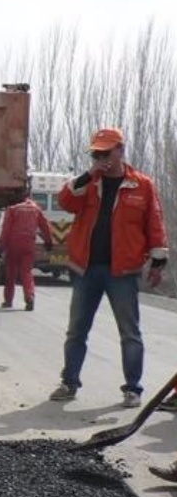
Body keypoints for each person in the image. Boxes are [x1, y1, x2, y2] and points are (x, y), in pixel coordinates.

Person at [48, 127, 167, 409]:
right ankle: (69, 382)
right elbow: (65, 201)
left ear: (120, 150)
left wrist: (158, 259)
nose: (102, 157)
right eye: (96, 153)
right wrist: (90, 173)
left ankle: (133, 389)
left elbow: (154, 221)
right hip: (86, 269)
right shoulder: (88, 183)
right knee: (76, 330)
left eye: (106, 152)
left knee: (130, 333)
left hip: (122, 272)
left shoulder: (142, 185)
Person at [0, 188, 53, 311]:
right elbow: (45, 226)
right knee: (26, 272)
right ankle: (30, 297)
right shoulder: (35, 208)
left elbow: (6, 230)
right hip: (29, 244)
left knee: (11, 273)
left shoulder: (13, 209)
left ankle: (8, 301)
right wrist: (49, 241)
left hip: (13, 244)